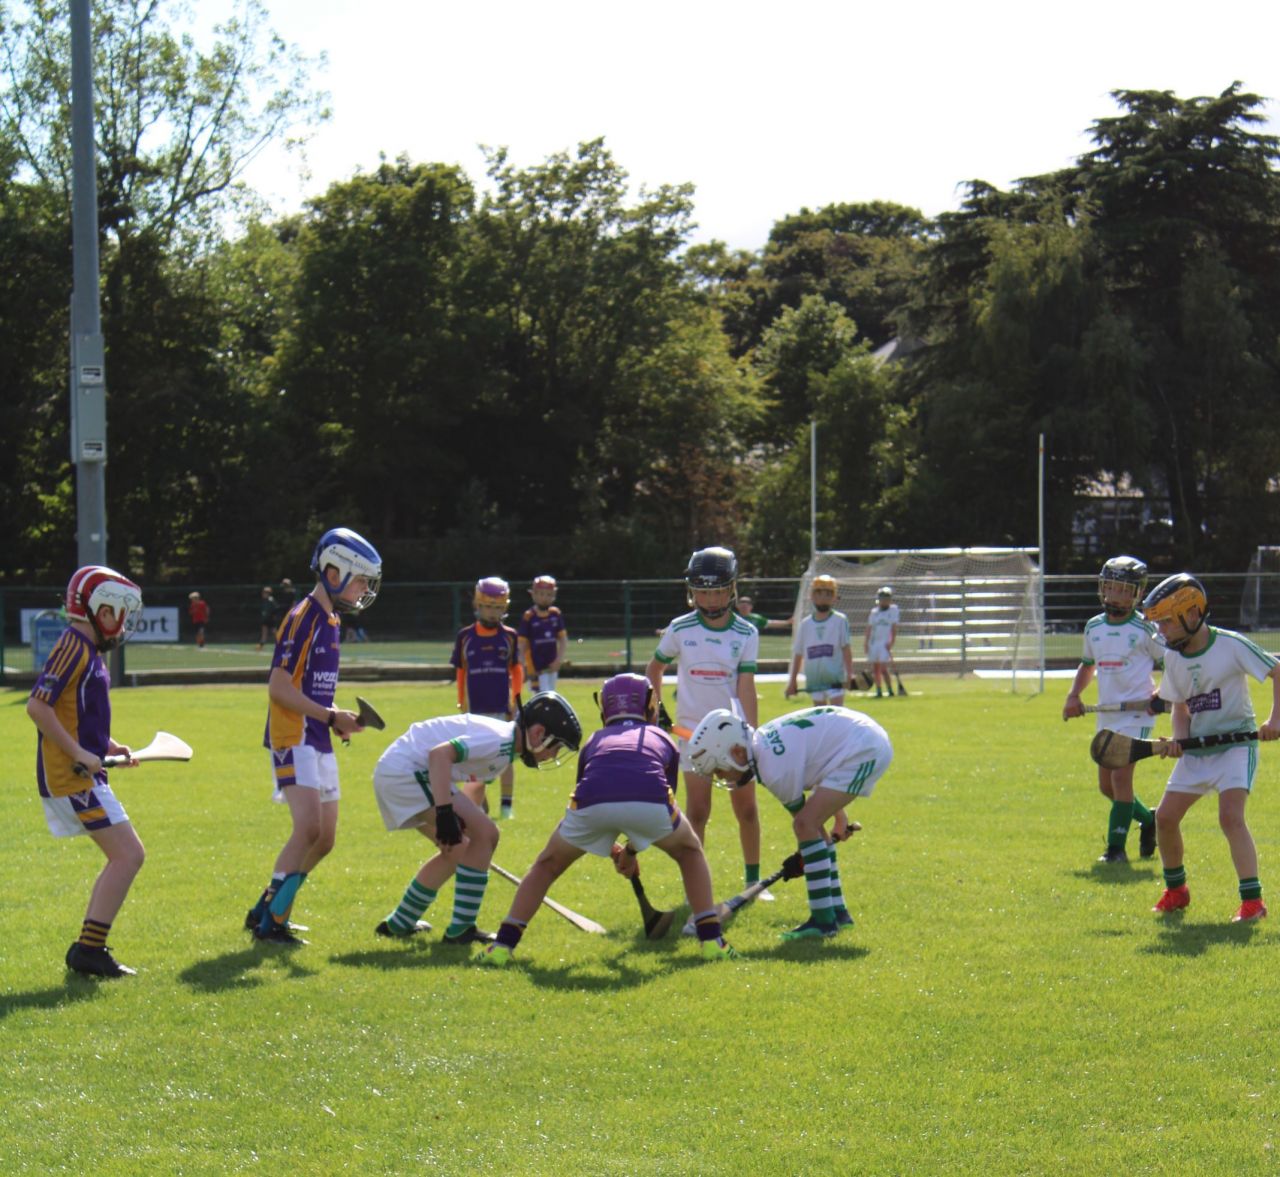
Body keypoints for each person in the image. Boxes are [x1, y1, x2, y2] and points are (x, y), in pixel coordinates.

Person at [480, 674, 736, 965]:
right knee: (689, 852)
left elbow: (594, 799)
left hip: (591, 802)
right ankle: (712, 941)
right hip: (649, 800)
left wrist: (621, 849)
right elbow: (658, 804)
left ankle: (502, 946)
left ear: (605, 711)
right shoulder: (663, 737)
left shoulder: (595, 740)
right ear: (649, 707)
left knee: (547, 865)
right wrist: (630, 850)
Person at [245, 528, 382, 944]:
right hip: (292, 736)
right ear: (333, 571)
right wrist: (328, 714)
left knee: (324, 840)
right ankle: (273, 921)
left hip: (317, 737)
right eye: (360, 580)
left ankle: (266, 909)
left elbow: (311, 685)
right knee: (307, 831)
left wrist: (339, 718)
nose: (362, 589)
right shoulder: (303, 617)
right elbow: (279, 687)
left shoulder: (332, 620)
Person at [374, 692, 583, 945]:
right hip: (407, 772)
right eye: (555, 746)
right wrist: (445, 814)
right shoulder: (499, 741)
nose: (552, 755)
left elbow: (474, 789)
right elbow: (439, 755)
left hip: (399, 772)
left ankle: (398, 924)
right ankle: (462, 930)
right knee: (487, 833)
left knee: (458, 849)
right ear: (538, 733)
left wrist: (469, 838)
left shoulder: (505, 751)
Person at [27, 565, 145, 977]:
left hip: (83, 772)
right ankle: (88, 950)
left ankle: (89, 950)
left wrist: (108, 746)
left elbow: (76, 712)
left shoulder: (87, 650)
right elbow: (38, 706)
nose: (124, 623)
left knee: (126, 856)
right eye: (120, 612)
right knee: (129, 855)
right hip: (71, 778)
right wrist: (79, 752)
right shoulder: (75, 646)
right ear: (99, 609)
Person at [689, 703, 892, 940]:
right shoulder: (762, 745)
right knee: (810, 826)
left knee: (805, 825)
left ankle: (823, 922)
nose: (720, 777)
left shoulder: (773, 769)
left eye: (719, 770)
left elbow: (807, 827)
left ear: (737, 753)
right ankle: (838, 914)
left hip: (864, 748)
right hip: (859, 741)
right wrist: (814, 844)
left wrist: (803, 855)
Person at [1142, 574, 1280, 922]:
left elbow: (1278, 670)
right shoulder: (1174, 658)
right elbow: (1180, 706)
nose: (1162, 631)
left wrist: (1275, 719)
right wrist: (1179, 740)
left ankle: (1253, 902)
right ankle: (1177, 891)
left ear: (1192, 614)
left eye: (1166, 622)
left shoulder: (1231, 645)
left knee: (1230, 817)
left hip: (1236, 745)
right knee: (1165, 817)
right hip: (1198, 750)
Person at [645, 546, 765, 894]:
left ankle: (754, 881)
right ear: (691, 591)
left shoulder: (746, 633)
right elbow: (655, 668)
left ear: (732, 589)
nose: (710, 599)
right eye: (702, 591)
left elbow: (746, 685)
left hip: (732, 737)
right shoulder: (680, 628)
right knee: (697, 811)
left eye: (717, 590)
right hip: (690, 731)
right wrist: (658, 713)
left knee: (746, 809)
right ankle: (695, 885)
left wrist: (751, 735)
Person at [1062, 555, 1164, 864]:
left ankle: (1116, 850)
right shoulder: (1094, 626)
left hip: (1138, 713)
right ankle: (1148, 820)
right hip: (1107, 714)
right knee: (1106, 786)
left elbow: (1171, 665)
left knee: (1121, 778)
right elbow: (1088, 664)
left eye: (1122, 590)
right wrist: (1073, 696)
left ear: (1136, 593)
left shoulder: (1147, 629)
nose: (1114, 595)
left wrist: (1162, 695)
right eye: (1109, 588)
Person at [452, 577, 524, 818]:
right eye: (488, 607)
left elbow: (516, 670)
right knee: (474, 758)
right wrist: (461, 702)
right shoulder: (465, 636)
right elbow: (460, 672)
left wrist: (516, 700)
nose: (493, 613)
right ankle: (478, 804)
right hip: (475, 708)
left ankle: (506, 806)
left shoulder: (510, 636)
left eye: (498, 608)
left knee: (506, 756)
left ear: (505, 608)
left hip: (502, 707)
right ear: (478, 605)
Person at [785, 574, 853, 705]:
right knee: (820, 719)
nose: (823, 598)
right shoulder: (805, 624)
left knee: (836, 716)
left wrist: (850, 674)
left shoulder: (840, 620)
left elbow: (846, 648)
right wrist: (792, 681)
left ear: (834, 597)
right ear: (812, 596)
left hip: (835, 680)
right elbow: (798, 654)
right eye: (819, 594)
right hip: (814, 681)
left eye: (828, 594)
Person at [517, 574, 568, 692]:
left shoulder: (555, 614)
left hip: (552, 666)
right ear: (533, 594)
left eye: (549, 594)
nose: (545, 598)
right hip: (535, 667)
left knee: (551, 695)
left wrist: (558, 660)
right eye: (541, 594)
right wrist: (522, 665)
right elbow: (522, 644)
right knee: (539, 697)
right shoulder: (529, 616)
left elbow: (563, 640)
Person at [864, 586, 900, 698]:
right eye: (882, 598)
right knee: (876, 669)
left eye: (886, 598)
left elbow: (894, 628)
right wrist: (866, 643)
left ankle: (890, 690)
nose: (884, 601)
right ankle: (879, 690)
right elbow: (869, 628)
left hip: (884, 643)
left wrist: (891, 642)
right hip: (874, 643)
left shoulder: (893, 610)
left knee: (884, 669)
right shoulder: (874, 612)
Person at [256, 586, 276, 652]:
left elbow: (274, 609)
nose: (263, 594)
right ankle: (261, 646)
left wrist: (269, 615)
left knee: (274, 632)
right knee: (264, 633)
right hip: (265, 619)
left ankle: (280, 644)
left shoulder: (271, 600)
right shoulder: (264, 601)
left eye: (265, 592)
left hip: (270, 619)